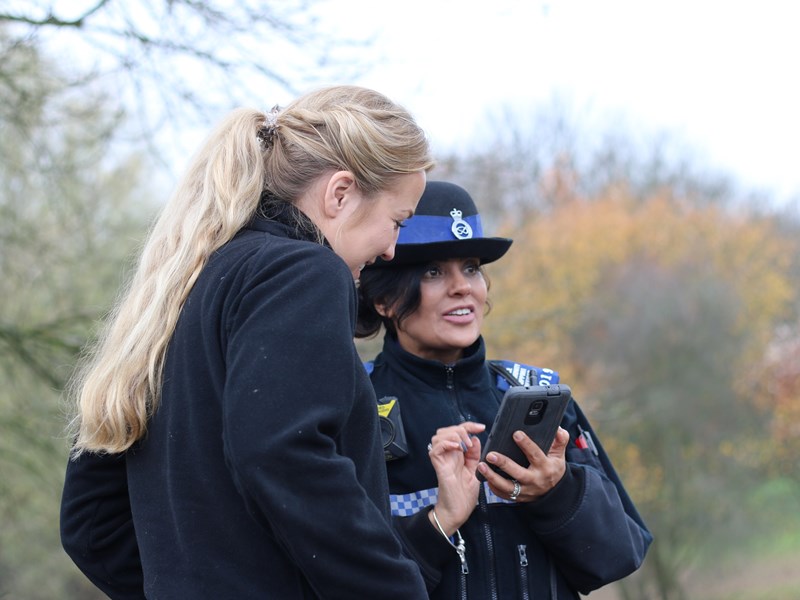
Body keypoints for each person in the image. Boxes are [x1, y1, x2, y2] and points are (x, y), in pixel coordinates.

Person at [59, 85, 436, 599]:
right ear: (341, 193)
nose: (392, 250)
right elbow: (282, 452)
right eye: (397, 222)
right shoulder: (304, 272)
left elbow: (91, 522)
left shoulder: (183, 282)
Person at [355, 180, 653, 599]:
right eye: (433, 271)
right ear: (383, 300)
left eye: (471, 267)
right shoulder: (356, 407)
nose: (463, 287)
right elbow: (342, 578)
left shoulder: (542, 396)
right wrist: (439, 522)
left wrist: (556, 492)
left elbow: (619, 556)